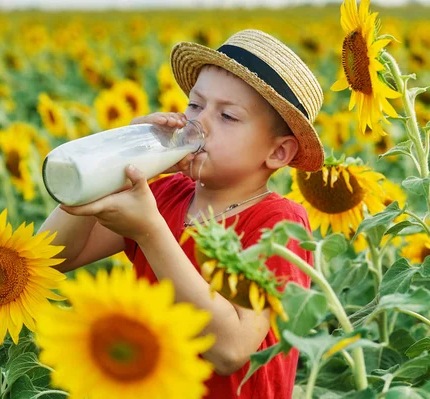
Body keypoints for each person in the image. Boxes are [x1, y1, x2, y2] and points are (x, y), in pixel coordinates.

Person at [39, 29, 324, 399]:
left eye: (227, 116)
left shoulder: (277, 223)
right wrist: (116, 158)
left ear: (278, 153)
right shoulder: (164, 196)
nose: (200, 123)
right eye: (195, 105)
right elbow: (53, 257)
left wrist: (151, 233)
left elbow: (231, 350)